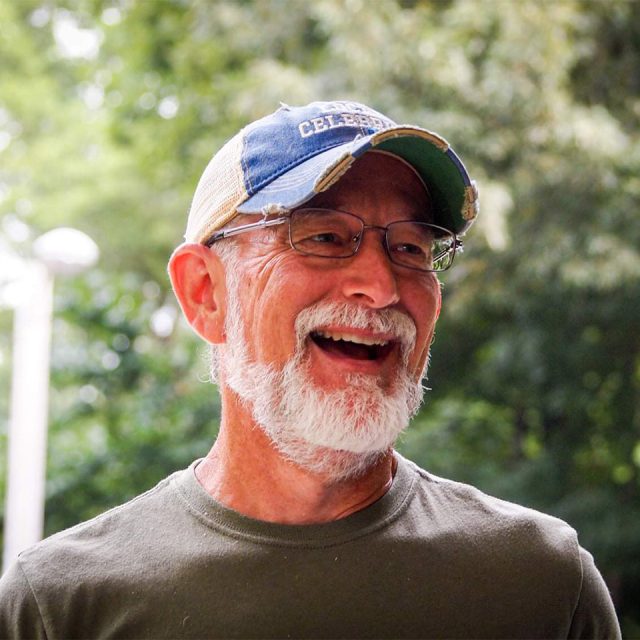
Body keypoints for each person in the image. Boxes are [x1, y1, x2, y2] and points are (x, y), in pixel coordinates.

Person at [0, 100, 620, 639]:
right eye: (323, 236)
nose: (380, 287)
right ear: (205, 294)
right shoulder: (60, 604)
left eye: (411, 248)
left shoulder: (542, 585)